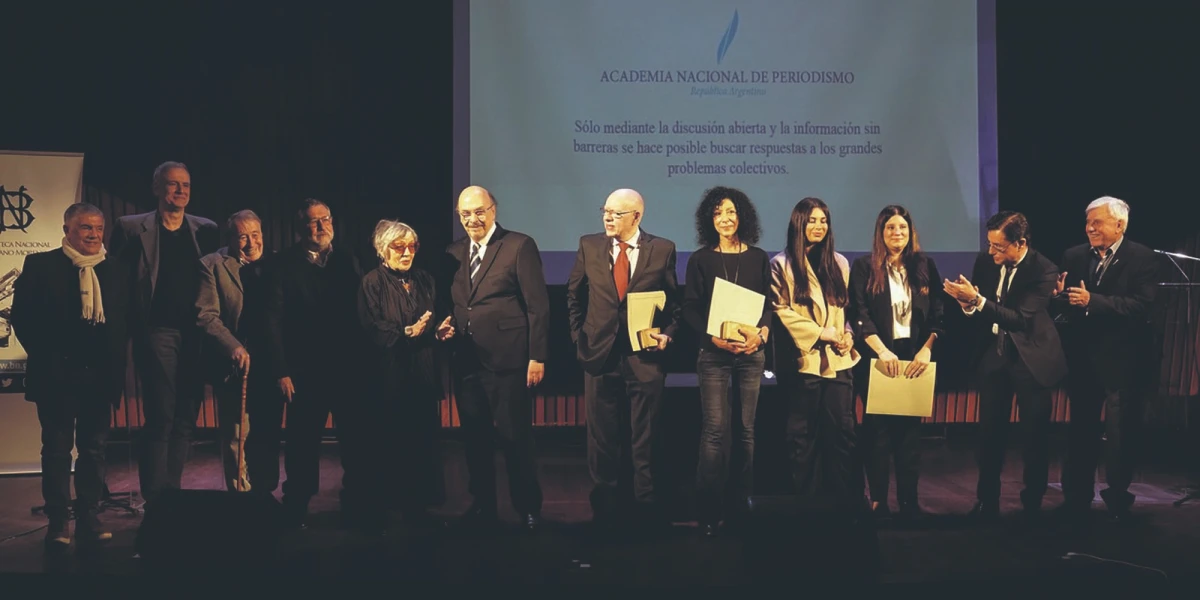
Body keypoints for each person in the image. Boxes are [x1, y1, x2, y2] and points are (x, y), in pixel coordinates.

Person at [11, 203, 129, 548]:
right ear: (67, 231)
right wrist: (49, 358)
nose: (93, 235)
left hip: (99, 377)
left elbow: (125, 322)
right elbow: (23, 319)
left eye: (97, 228)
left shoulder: (117, 269)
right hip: (56, 376)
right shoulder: (41, 265)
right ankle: (59, 520)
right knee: (58, 451)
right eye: (85, 228)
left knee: (94, 449)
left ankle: (89, 514)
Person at [566, 188, 680, 532]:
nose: (608, 217)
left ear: (637, 217)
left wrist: (667, 334)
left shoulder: (662, 249)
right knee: (602, 440)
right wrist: (579, 339)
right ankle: (606, 513)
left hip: (643, 358)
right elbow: (574, 296)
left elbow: (674, 305)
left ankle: (645, 511)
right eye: (606, 211)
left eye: (617, 213)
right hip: (599, 355)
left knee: (644, 439)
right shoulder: (589, 245)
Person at [943, 211, 1067, 520]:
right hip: (995, 355)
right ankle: (986, 502)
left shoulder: (1043, 269)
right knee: (989, 435)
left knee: (1034, 436)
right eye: (989, 244)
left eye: (999, 246)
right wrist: (967, 304)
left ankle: (1032, 505)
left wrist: (979, 301)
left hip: (1031, 358)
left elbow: (1020, 319)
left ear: (1020, 243)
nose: (991, 252)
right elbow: (982, 312)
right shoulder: (987, 263)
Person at [109, 161, 219, 506]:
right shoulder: (130, 228)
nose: (180, 191)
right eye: (172, 185)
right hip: (158, 331)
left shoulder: (206, 230)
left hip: (198, 333)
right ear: (156, 188)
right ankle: (155, 498)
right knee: (161, 414)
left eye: (185, 185)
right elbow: (115, 282)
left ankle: (172, 493)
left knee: (187, 413)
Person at [439, 186, 548, 531]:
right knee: (475, 440)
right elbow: (455, 303)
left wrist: (537, 356)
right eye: (465, 214)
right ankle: (483, 505)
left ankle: (528, 508)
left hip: (510, 361)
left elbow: (538, 306)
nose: (473, 219)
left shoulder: (518, 246)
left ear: (493, 210)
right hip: (467, 361)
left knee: (516, 439)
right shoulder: (453, 252)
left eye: (479, 211)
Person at [263, 198, 370, 530]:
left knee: (355, 442)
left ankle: (356, 504)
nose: (322, 227)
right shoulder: (283, 265)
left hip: (348, 370)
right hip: (304, 373)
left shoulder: (349, 260)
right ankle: (296, 506)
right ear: (300, 228)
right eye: (313, 222)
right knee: (302, 444)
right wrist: (280, 370)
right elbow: (273, 322)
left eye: (326, 219)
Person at [1052, 196, 1158, 523]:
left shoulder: (1143, 258)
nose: (1090, 228)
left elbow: (1142, 306)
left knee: (1119, 435)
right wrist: (1058, 300)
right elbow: (1066, 310)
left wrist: (1092, 301)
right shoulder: (1073, 255)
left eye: (1097, 222)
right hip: (1083, 362)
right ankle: (1076, 497)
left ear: (1119, 225)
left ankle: (1117, 497)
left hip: (1123, 363)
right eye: (1088, 223)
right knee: (1080, 432)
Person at [681, 186, 771, 537]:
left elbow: (769, 307)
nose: (726, 219)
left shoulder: (759, 258)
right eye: (718, 213)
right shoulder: (701, 259)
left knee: (746, 432)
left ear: (742, 216)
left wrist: (761, 334)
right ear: (709, 219)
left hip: (751, 354)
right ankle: (708, 512)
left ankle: (742, 508)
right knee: (715, 432)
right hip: (714, 355)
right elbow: (690, 306)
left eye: (732, 212)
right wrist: (711, 337)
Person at [848, 205, 944, 521]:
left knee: (909, 436)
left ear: (910, 231)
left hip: (914, 356)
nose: (897, 233)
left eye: (902, 227)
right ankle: (877, 500)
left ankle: (908, 502)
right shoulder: (864, 267)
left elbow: (937, 315)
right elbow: (858, 314)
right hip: (878, 356)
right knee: (877, 433)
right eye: (890, 228)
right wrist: (881, 352)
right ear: (881, 232)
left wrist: (926, 349)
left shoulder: (925, 266)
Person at [769, 197, 861, 510]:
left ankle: (841, 506)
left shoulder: (839, 263)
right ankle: (805, 506)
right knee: (802, 437)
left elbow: (844, 310)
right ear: (799, 223)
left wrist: (847, 334)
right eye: (812, 220)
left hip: (838, 363)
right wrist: (821, 333)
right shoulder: (780, 264)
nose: (819, 226)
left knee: (841, 434)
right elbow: (779, 310)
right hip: (804, 362)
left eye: (823, 221)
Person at [358, 220, 445, 530]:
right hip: (390, 373)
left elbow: (428, 321)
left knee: (423, 440)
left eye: (412, 247)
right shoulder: (373, 282)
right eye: (399, 247)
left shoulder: (424, 279)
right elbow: (371, 325)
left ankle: (420, 505)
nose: (407, 252)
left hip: (421, 370)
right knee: (393, 440)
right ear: (384, 250)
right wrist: (405, 332)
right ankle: (389, 506)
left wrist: (438, 332)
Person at [195, 210, 277, 494]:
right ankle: (239, 496)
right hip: (234, 365)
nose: (251, 242)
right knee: (236, 434)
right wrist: (234, 346)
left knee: (265, 433)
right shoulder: (212, 265)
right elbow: (207, 315)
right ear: (230, 238)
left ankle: (264, 494)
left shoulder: (275, 264)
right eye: (243, 236)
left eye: (255, 235)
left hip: (270, 364)